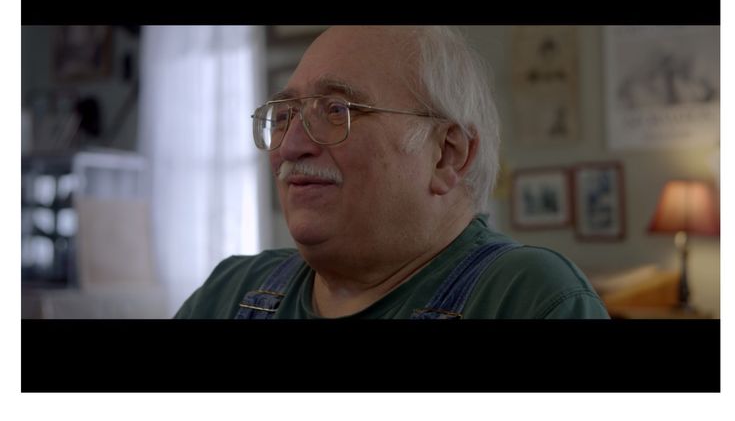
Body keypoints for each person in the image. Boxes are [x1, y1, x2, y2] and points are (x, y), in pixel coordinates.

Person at [175, 26, 609, 319]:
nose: (289, 145)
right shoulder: (230, 291)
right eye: (286, 114)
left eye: (336, 110)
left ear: (448, 155)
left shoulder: (529, 299)